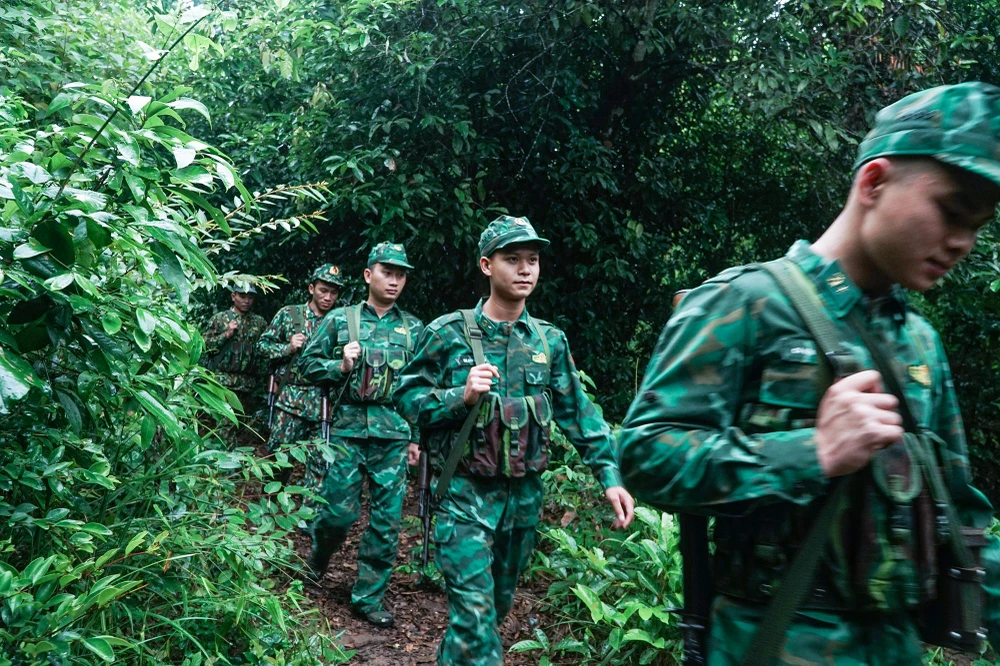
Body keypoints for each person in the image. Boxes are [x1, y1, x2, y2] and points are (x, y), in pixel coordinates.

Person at [618, 81, 1000, 665]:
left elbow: (962, 519)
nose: (963, 242)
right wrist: (812, 452)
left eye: (978, 225)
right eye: (950, 211)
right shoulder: (745, 305)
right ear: (873, 182)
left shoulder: (920, 341)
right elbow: (646, 454)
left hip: (895, 647)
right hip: (771, 640)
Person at [393, 215, 636, 665]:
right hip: (464, 497)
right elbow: (405, 396)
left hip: (523, 501)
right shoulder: (447, 333)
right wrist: (458, 396)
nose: (525, 269)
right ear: (486, 266)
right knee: (476, 618)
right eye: (512, 259)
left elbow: (579, 415)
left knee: (493, 609)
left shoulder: (550, 341)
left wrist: (610, 474)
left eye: (533, 260)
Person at [298, 242, 423, 628]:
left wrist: (416, 438)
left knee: (386, 523)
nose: (395, 280)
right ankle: (319, 558)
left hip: (393, 437)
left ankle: (368, 597)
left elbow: (421, 388)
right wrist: (341, 364)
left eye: (401, 274)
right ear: (369, 275)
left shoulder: (414, 328)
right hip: (348, 433)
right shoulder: (340, 320)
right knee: (338, 513)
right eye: (388, 272)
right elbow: (306, 366)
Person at [257, 263, 344, 486]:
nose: (328, 297)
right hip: (290, 399)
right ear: (311, 288)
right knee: (278, 459)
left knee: (320, 464)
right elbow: (262, 346)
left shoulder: (340, 321)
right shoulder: (290, 314)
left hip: (324, 400)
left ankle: (311, 515)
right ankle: (270, 506)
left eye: (333, 292)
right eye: (323, 290)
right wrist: (287, 348)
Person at [202, 283, 267, 420]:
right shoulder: (220, 319)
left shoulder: (259, 323)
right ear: (233, 296)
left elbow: (265, 350)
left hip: (248, 384)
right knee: (225, 424)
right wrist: (227, 334)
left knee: (242, 425)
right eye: (242, 296)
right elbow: (205, 346)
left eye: (250, 297)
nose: (246, 301)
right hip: (223, 381)